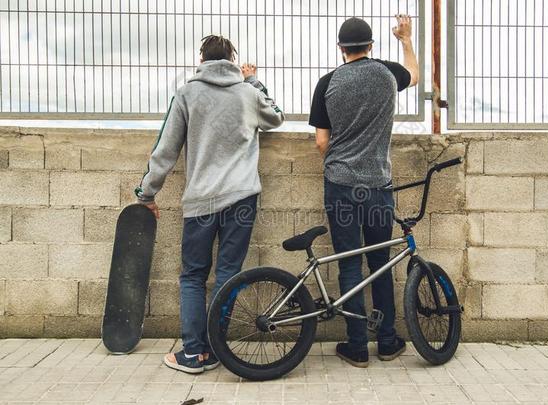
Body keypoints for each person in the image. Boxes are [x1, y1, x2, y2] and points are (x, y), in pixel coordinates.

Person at [135, 35, 284, 373]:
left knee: (192, 276)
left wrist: (146, 194)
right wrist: (254, 81)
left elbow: (165, 151)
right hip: (243, 197)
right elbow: (276, 117)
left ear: (201, 59)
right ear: (233, 59)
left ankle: (192, 353)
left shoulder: (187, 94)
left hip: (201, 202)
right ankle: (217, 349)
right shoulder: (248, 93)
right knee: (229, 275)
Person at [308, 15, 419, 367]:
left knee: (349, 263)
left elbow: (322, 142)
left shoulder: (328, 83)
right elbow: (414, 75)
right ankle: (387, 342)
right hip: (378, 186)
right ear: (371, 45)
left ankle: (356, 345)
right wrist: (406, 40)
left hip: (341, 185)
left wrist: (343, 158)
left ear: (341, 48)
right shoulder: (387, 74)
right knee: (379, 262)